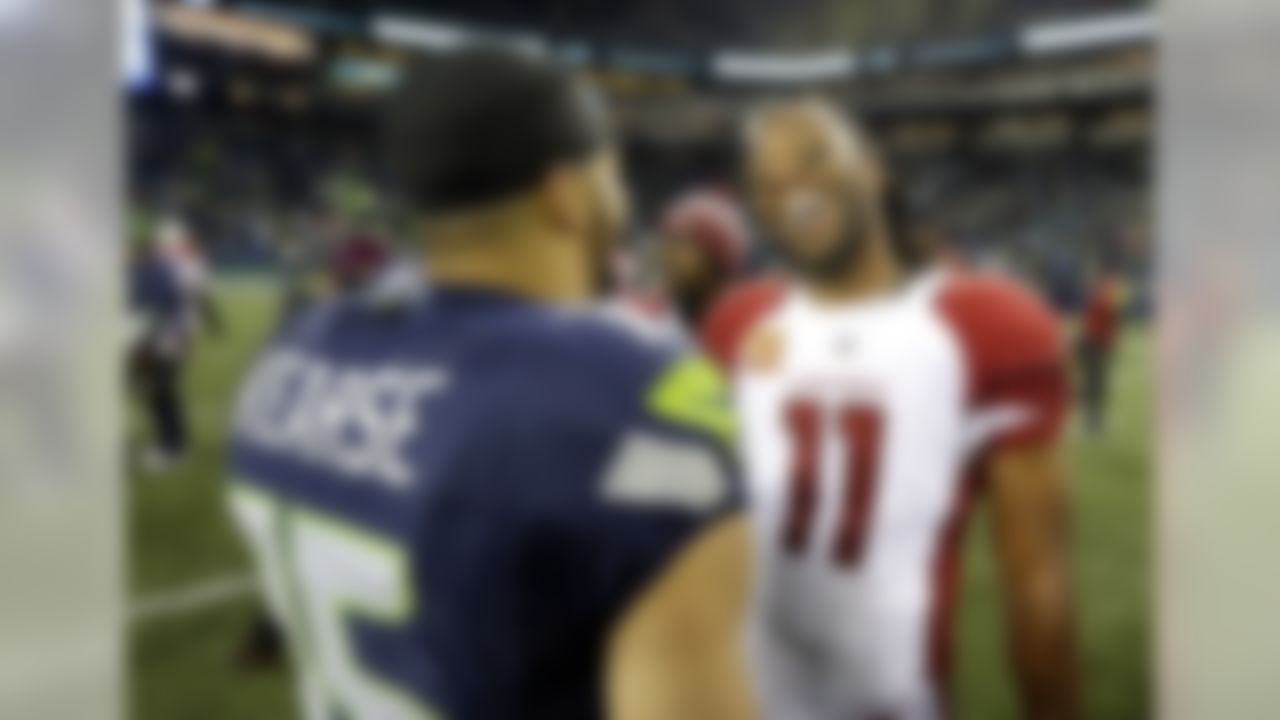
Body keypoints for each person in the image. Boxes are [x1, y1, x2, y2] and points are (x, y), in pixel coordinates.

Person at [226, 49, 756, 720]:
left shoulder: (294, 354)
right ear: (562, 195)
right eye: (614, 176)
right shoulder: (631, 401)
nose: (624, 203)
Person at [702, 98, 1079, 720]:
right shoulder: (735, 323)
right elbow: (684, 501)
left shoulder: (985, 325)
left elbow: (1040, 592)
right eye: (768, 185)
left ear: (874, 169)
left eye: (814, 160)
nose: (793, 192)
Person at [1078, 266, 1124, 435]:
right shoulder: (1103, 300)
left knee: (1093, 386)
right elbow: (1104, 327)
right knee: (1097, 387)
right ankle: (1095, 425)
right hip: (1093, 345)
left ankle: (1093, 422)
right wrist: (1112, 344)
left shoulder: (1100, 298)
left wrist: (1112, 344)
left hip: (1091, 344)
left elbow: (1108, 326)